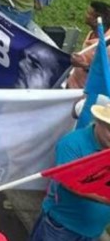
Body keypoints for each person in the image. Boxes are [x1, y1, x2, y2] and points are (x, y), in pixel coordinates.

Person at [29, 103, 110, 240]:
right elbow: (70, 184)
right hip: (61, 227)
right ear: (98, 122)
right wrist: (105, 199)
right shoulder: (72, 143)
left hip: (93, 230)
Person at [68, 2, 110, 90]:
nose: (86, 15)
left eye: (89, 13)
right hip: (73, 83)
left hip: (83, 93)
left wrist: (83, 65)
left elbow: (104, 74)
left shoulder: (107, 46)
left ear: (97, 20)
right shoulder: (93, 32)